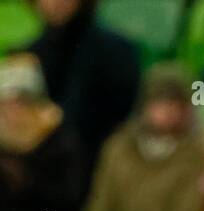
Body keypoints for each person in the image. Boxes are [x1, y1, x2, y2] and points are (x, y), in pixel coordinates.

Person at [77, 64, 204, 211]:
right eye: (160, 102)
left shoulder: (201, 156)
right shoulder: (119, 151)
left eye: (174, 104)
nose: (167, 111)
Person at [26, 0, 139, 174]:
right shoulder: (29, 54)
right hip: (40, 173)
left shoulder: (116, 51)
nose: (56, 3)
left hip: (98, 168)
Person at [0, 52, 83, 211]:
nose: (13, 112)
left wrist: (28, 181)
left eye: (20, 103)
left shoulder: (59, 142)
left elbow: (65, 204)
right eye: (6, 104)